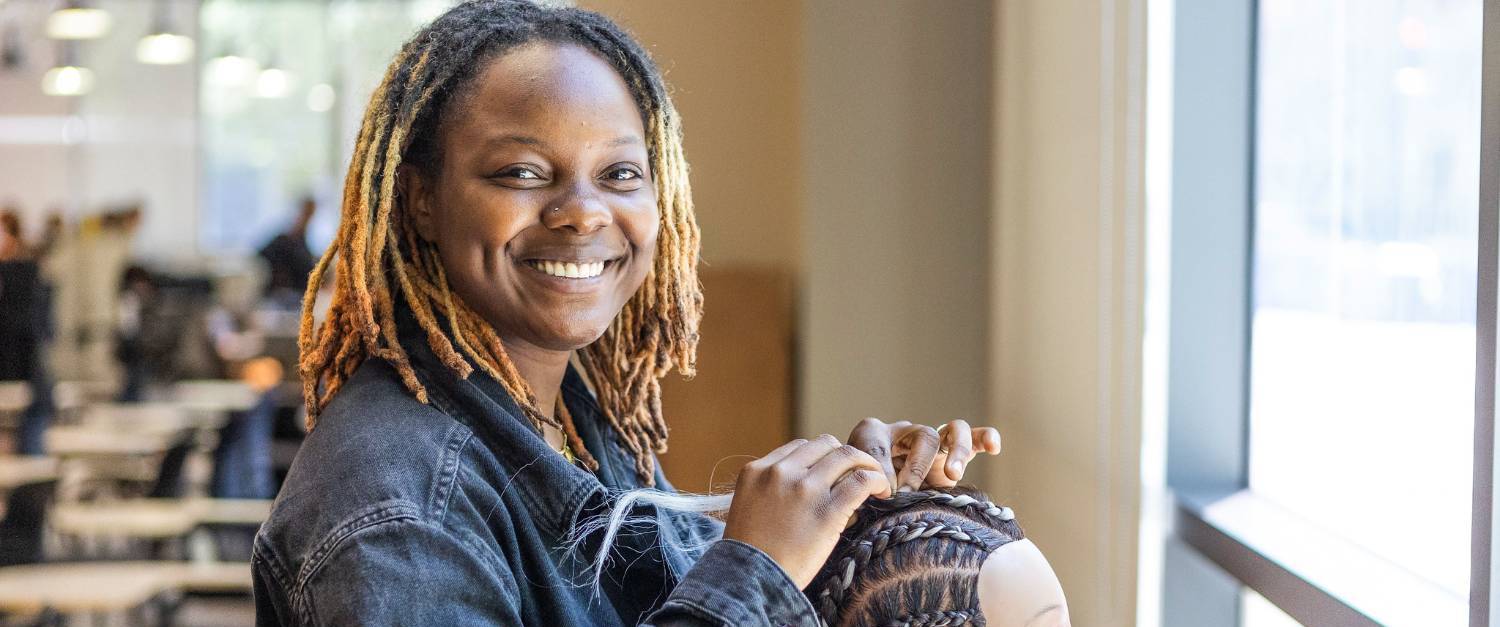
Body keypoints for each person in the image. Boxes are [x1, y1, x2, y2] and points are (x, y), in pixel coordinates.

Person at [251, 2, 1002, 625]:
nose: (582, 213)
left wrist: (846, 521)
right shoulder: (400, 511)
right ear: (419, 199)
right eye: (522, 172)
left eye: (619, 173)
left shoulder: (567, 418)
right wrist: (756, 571)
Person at [257, 196, 318, 303]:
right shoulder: (282, 241)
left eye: (310, 215)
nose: (308, 219)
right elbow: (261, 256)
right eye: (307, 213)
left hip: (299, 294)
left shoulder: (302, 242)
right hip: (283, 296)